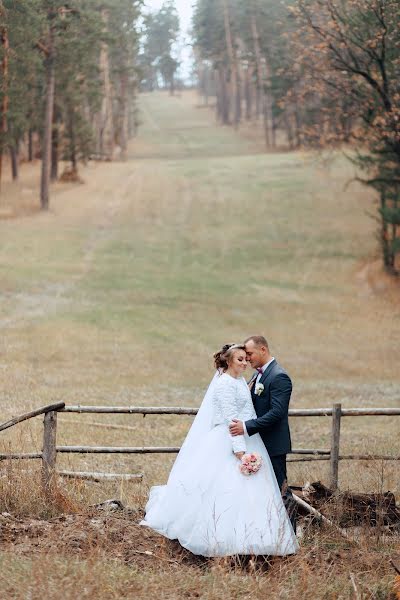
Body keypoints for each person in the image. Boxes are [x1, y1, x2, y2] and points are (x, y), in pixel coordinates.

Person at [140, 344, 298, 557]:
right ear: (229, 361)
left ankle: (257, 538)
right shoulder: (224, 384)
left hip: (248, 436)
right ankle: (223, 539)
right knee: (225, 490)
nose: (245, 363)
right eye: (240, 359)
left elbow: (248, 412)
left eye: (246, 358)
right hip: (231, 441)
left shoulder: (241, 381)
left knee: (253, 493)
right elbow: (230, 419)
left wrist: (248, 438)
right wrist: (241, 452)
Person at [229, 336, 297, 531]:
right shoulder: (257, 376)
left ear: (263, 350)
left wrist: (247, 426)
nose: (247, 358)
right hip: (259, 443)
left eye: (250, 354)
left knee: (281, 489)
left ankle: (291, 533)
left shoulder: (278, 376)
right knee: (264, 490)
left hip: (273, 444)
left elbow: (277, 413)